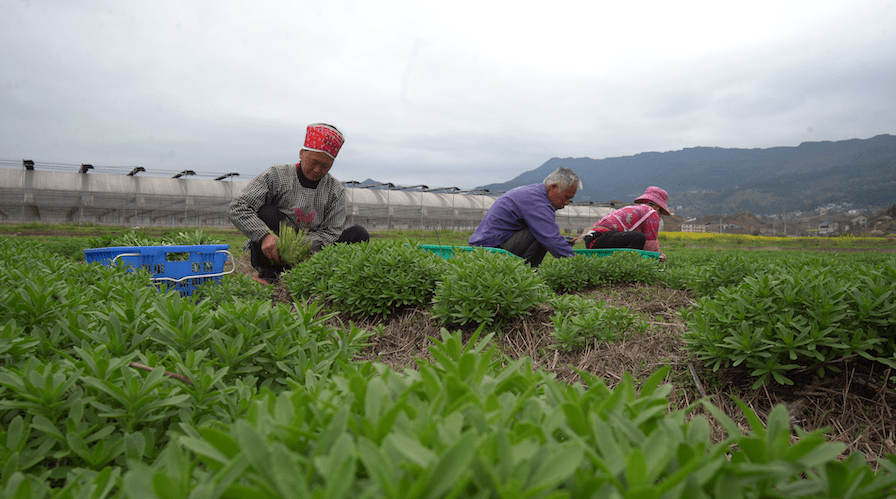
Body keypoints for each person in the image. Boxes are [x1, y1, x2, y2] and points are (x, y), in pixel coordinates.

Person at [228, 123, 369, 284]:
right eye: (313, 162)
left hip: (313, 252)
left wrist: (301, 247)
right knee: (267, 212)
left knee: (359, 234)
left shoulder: (335, 189)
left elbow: (332, 232)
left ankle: (323, 278)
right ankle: (269, 275)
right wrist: (265, 235)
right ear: (302, 153)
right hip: (275, 248)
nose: (317, 170)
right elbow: (238, 207)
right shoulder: (276, 176)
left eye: (325, 165)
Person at [469, 167, 581, 267]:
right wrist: (578, 264)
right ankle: (526, 274)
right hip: (489, 250)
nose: (567, 203)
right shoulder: (537, 202)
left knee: (541, 231)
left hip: (488, 245)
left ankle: (525, 272)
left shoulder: (534, 193)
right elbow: (550, 238)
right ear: (553, 187)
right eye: (566, 197)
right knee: (540, 234)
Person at [579, 186, 671, 262]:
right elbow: (651, 244)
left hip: (593, 240)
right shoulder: (651, 212)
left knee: (636, 238)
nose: (659, 215)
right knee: (639, 237)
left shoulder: (638, 210)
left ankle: (620, 262)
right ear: (658, 208)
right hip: (600, 239)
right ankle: (627, 264)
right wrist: (659, 255)